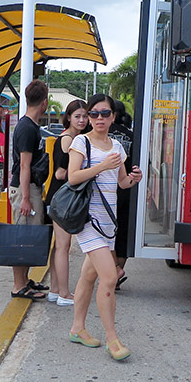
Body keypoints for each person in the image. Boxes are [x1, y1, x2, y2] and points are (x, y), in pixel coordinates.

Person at [67, 94, 142, 361]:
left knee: (89, 275)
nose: (99, 118)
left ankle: (77, 328)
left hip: (108, 221)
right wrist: (101, 166)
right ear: (88, 117)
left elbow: (121, 183)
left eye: (105, 113)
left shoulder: (117, 146)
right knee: (109, 277)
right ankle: (113, 339)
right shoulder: (81, 142)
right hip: (88, 219)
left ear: (113, 117)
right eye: (94, 113)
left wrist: (133, 179)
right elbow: (73, 177)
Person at [8, 79, 50, 300]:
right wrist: (26, 198)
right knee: (22, 236)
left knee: (29, 235)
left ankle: (25, 280)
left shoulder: (31, 126)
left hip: (30, 187)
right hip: (24, 188)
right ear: (44, 103)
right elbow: (24, 165)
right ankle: (18, 285)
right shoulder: (27, 128)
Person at [43, 99, 88, 306]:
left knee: (59, 246)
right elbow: (61, 174)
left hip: (57, 198)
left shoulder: (72, 137)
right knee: (63, 246)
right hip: (62, 199)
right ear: (68, 117)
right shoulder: (69, 139)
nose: (82, 120)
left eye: (85, 116)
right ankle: (64, 293)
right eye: (77, 116)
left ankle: (55, 290)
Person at [108, 99, 134, 290]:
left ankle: (112, 272)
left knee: (105, 233)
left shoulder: (101, 135)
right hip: (126, 189)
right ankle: (116, 273)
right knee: (122, 232)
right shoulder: (131, 136)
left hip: (106, 190)